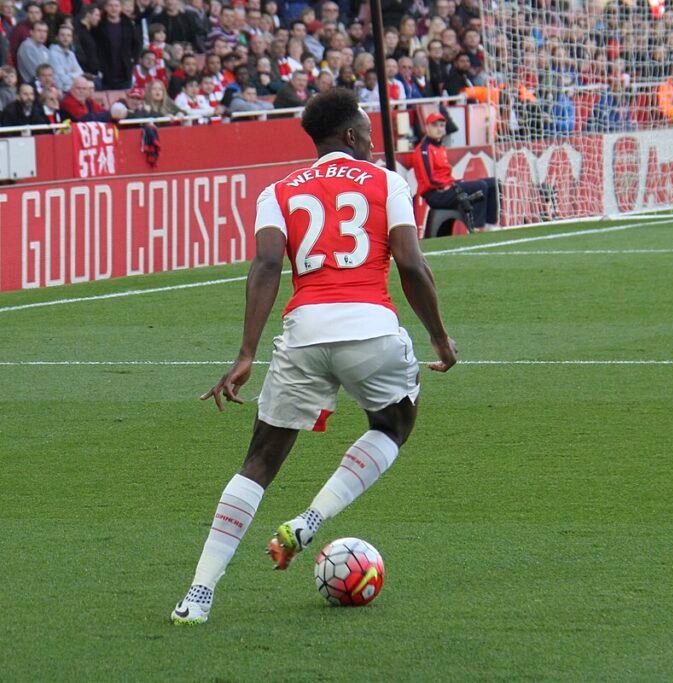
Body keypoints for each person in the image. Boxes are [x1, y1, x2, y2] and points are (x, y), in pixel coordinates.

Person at [170, 87, 458, 625]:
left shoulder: (277, 191)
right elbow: (412, 266)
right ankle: (309, 519)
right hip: (370, 328)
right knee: (394, 423)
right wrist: (440, 339)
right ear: (350, 135)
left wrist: (246, 353)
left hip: (302, 333)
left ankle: (198, 594)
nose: (373, 140)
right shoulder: (387, 182)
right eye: (368, 132)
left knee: (259, 462)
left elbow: (265, 266)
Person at [412, 111, 499, 231]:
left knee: (493, 183)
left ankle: (491, 223)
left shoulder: (440, 147)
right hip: (436, 194)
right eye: (435, 125)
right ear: (427, 128)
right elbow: (429, 179)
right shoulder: (424, 150)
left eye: (441, 126)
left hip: (447, 187)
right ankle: (479, 227)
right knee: (480, 186)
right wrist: (446, 185)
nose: (439, 129)